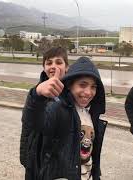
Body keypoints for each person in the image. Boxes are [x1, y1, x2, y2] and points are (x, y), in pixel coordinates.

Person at [24, 56, 107, 179]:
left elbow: (93, 153)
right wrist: (37, 94)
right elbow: (34, 122)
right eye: (82, 85)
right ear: (69, 85)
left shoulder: (92, 114)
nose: (89, 92)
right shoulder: (58, 109)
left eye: (93, 87)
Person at [20, 47, 68, 179]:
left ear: (67, 67)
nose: (53, 66)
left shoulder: (72, 95)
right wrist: (37, 94)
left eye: (58, 62)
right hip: (38, 161)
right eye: (49, 63)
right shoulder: (37, 93)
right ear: (44, 67)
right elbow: (27, 125)